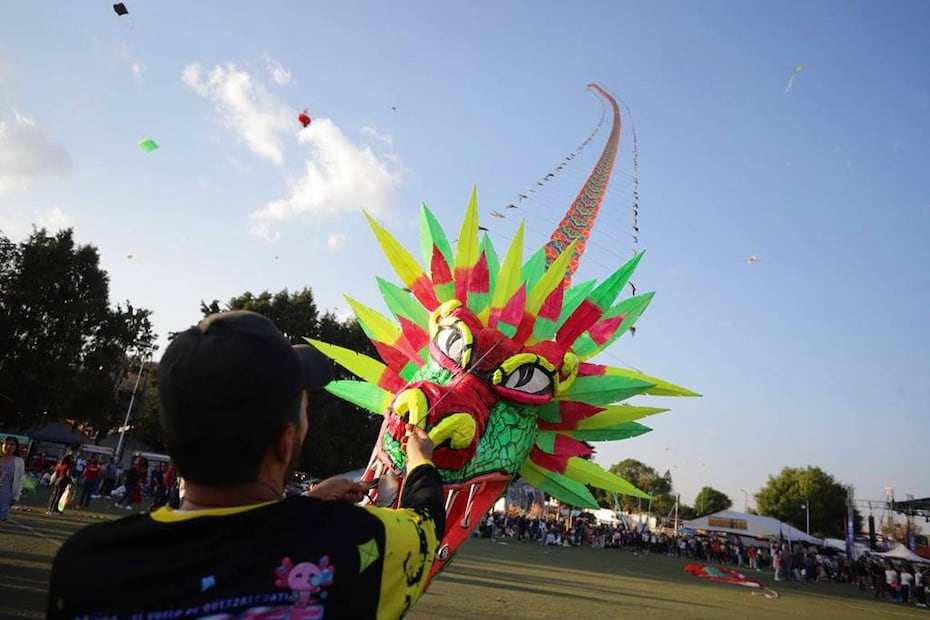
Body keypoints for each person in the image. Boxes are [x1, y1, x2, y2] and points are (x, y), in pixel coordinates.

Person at [47, 310, 445, 619]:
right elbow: (425, 523)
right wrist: (421, 463)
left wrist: (307, 503)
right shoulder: (353, 541)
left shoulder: (87, 563)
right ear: (284, 442)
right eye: (303, 412)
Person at [0, 436, 26, 523]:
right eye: (7, 444)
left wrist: (16, 496)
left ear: (16, 447)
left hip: (6, 492)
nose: (9, 446)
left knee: (2, 516)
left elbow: (20, 480)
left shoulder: (19, 461)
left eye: (12, 444)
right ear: (2, 444)